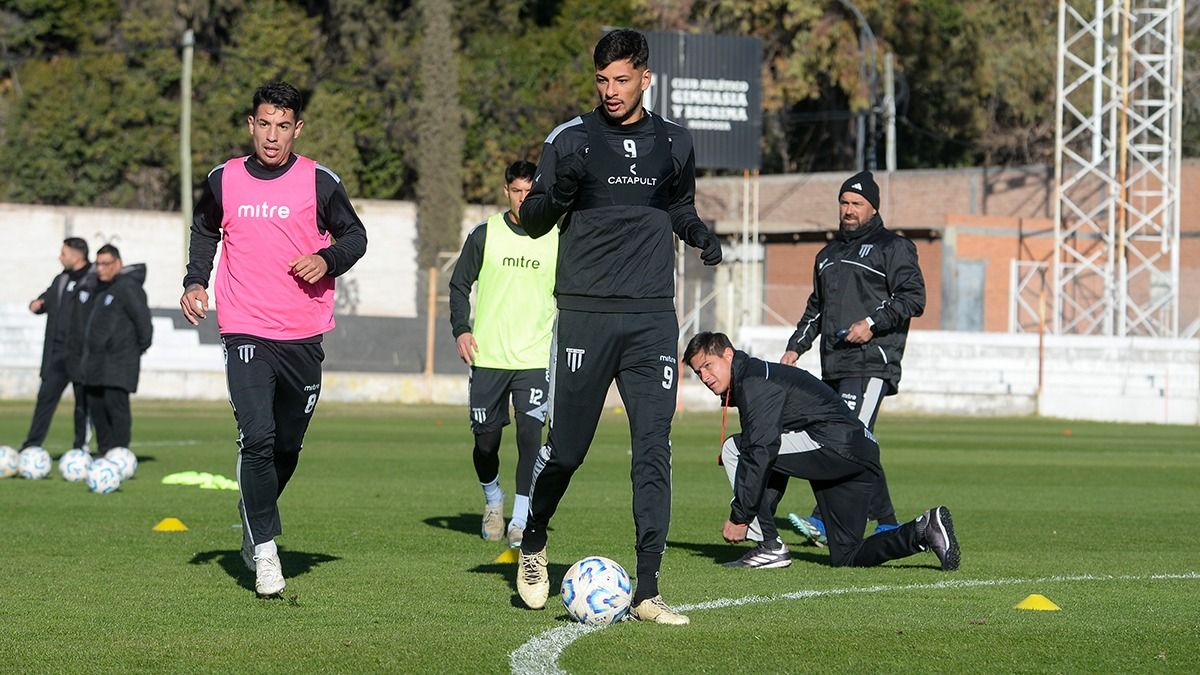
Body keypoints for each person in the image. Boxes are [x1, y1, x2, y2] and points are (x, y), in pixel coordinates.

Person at [514, 29, 722, 625]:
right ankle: (533, 540)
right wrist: (558, 194)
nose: (610, 91)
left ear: (645, 79)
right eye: (602, 80)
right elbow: (532, 220)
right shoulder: (571, 139)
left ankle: (649, 589)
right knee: (569, 450)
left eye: (622, 79)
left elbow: (677, 207)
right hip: (585, 315)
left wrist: (699, 234)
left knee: (653, 449)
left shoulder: (675, 143)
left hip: (653, 318)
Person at [179, 81, 367, 597]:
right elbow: (203, 229)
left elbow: (356, 238)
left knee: (286, 445)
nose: (272, 135)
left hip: (303, 333)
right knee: (256, 437)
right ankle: (265, 551)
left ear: (297, 129)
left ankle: (252, 509)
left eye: (283, 126)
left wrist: (326, 259)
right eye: (264, 124)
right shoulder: (223, 179)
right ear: (250, 124)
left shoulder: (320, 182)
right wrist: (196, 280)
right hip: (243, 326)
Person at [685, 331, 959, 572]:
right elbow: (775, 459)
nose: (705, 377)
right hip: (860, 450)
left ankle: (769, 546)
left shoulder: (755, 381)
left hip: (834, 445)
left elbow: (762, 452)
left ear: (728, 355)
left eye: (708, 366)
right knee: (847, 555)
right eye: (699, 373)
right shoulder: (759, 376)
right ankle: (924, 530)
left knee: (736, 448)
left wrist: (740, 517)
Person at [780, 171, 926, 544]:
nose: (848, 210)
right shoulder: (827, 255)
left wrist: (872, 324)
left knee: (846, 441)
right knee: (854, 440)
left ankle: (825, 521)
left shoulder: (893, 247)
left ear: (874, 207)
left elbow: (913, 298)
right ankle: (888, 523)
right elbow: (816, 308)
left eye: (856, 204)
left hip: (872, 361)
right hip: (834, 364)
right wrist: (796, 347)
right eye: (844, 203)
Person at [448, 160, 556, 548]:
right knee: (486, 443)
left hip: (534, 358)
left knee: (531, 438)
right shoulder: (485, 234)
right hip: (489, 357)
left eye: (531, 192)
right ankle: (493, 499)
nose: (524, 199)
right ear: (506, 191)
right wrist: (461, 329)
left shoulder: (556, 236)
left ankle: (521, 518)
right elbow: (459, 284)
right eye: (517, 191)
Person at [70, 244, 152, 455]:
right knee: (97, 407)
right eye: (98, 264)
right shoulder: (104, 287)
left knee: (116, 408)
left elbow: (144, 325)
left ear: (118, 263)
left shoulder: (128, 287)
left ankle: (119, 453)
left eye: (105, 264)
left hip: (118, 362)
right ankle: (104, 451)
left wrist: (130, 350)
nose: (100, 269)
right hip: (96, 363)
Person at [22, 238, 92, 453]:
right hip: (57, 353)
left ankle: (80, 448)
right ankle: (31, 447)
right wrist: (38, 303)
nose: (60, 257)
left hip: (81, 355)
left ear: (76, 255)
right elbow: (47, 299)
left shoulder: (94, 278)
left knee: (82, 405)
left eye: (63, 253)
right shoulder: (60, 279)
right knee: (45, 400)